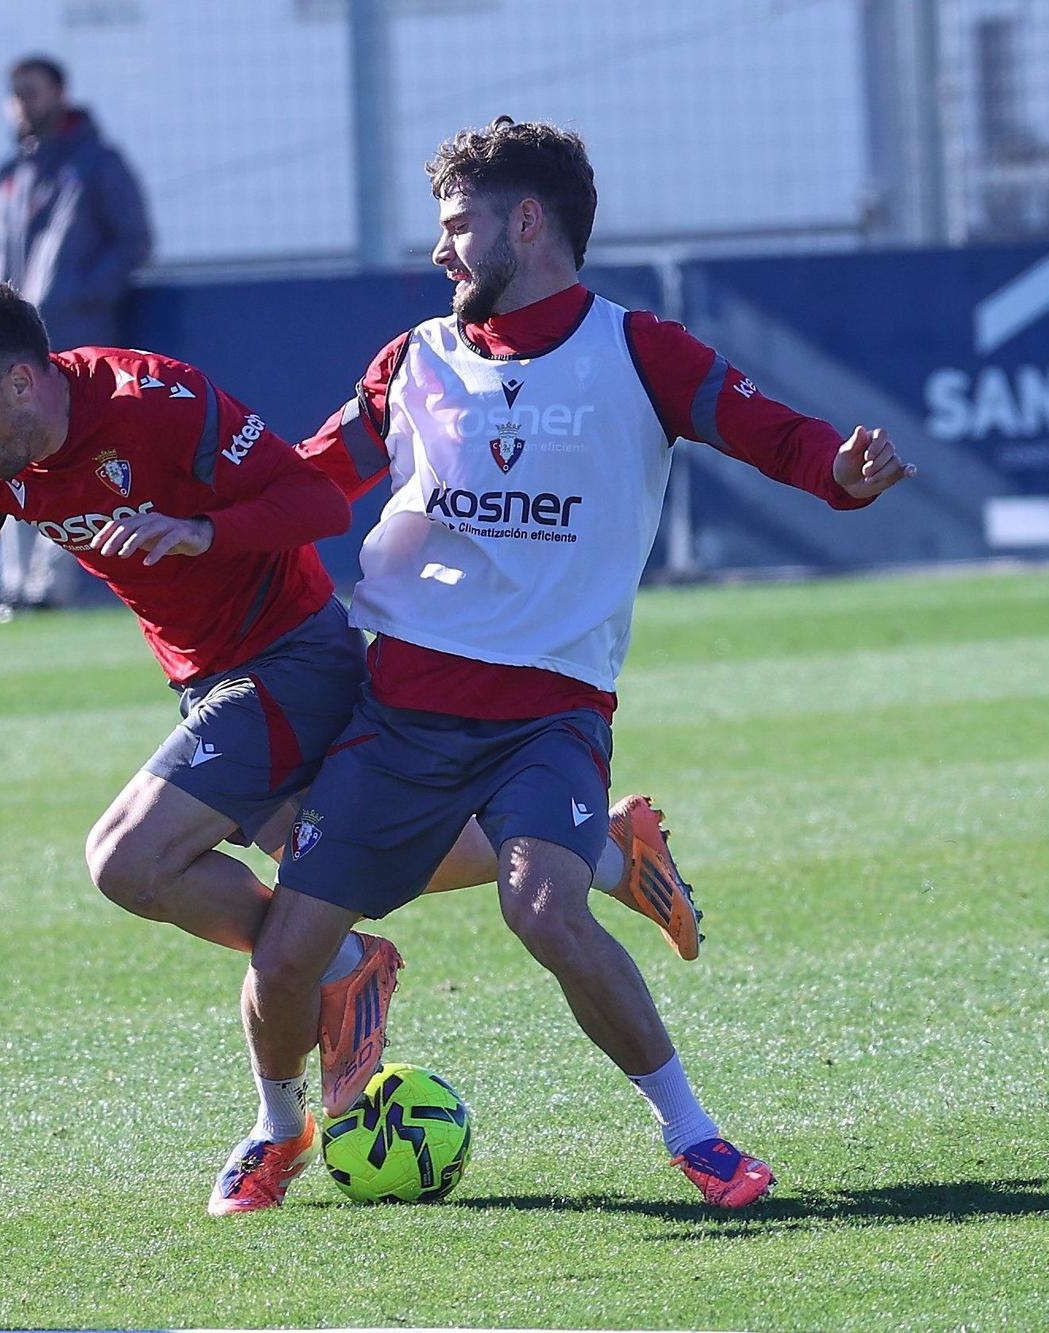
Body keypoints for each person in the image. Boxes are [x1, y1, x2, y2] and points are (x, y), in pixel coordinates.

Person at [0, 276, 702, 1122]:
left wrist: (197, 532)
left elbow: (316, 504)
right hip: (208, 679)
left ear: (19, 383)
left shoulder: (153, 400)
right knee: (339, 854)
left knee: (129, 861)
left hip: (291, 656)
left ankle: (336, 971)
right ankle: (605, 853)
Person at [207, 118, 915, 1217]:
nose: (441, 252)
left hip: (548, 716)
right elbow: (312, 479)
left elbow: (771, 432)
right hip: (396, 709)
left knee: (542, 907)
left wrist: (840, 473)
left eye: (456, 226)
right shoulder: (413, 360)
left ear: (525, 222)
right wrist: (198, 519)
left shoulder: (639, 352)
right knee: (291, 946)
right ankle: (277, 1128)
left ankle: (697, 1137)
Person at [0, 54, 154, 619]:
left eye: (30, 91)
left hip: (75, 346)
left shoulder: (97, 164)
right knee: (8, 454)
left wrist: (80, 296)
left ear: (59, 93)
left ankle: (50, 585)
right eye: (15, 94)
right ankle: (15, 584)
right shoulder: (8, 175)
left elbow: (134, 241)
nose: (21, 104)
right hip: (12, 347)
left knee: (69, 459)